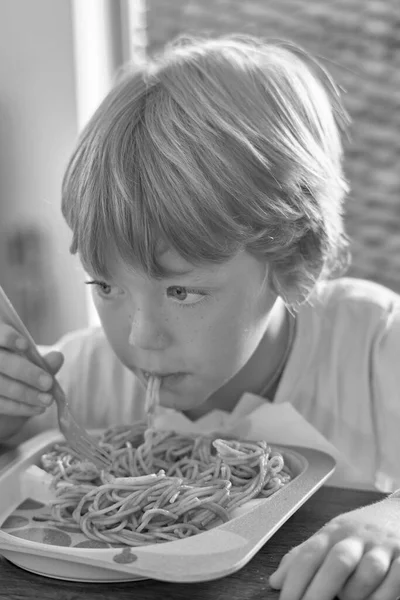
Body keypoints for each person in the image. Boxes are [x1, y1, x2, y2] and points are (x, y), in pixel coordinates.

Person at [0, 33, 399, 599]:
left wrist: (388, 522)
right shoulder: (83, 376)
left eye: (182, 292)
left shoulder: (375, 343)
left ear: (295, 259)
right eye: (105, 283)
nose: (139, 339)